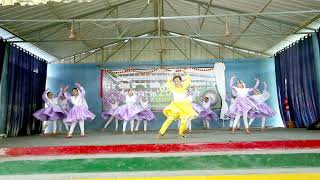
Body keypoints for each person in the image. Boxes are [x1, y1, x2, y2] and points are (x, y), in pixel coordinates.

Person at [158, 70, 198, 138]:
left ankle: (181, 133)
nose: (176, 82)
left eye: (178, 81)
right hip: (175, 107)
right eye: (175, 81)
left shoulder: (184, 86)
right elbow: (168, 81)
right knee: (169, 119)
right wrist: (171, 73)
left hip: (183, 107)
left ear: (180, 81)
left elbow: (188, 80)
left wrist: (185, 73)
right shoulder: (172, 87)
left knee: (184, 120)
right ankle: (161, 132)